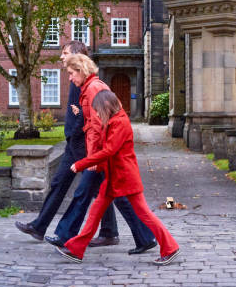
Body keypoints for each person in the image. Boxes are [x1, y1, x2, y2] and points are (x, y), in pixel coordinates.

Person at [15, 42, 156, 255]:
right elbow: (91, 119)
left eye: (71, 71)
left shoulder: (93, 88)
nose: (69, 77)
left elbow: (99, 125)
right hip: (91, 149)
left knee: (90, 194)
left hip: (94, 151)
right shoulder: (88, 86)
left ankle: (67, 237)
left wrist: (91, 157)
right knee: (103, 193)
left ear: (79, 66)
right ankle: (136, 236)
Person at [56, 90, 181, 266]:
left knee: (145, 215)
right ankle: (76, 249)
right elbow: (107, 150)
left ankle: (170, 247)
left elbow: (109, 151)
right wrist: (96, 164)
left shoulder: (120, 122)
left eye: (98, 110)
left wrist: (82, 164)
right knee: (94, 213)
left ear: (106, 107)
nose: (97, 114)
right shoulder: (113, 121)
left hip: (125, 178)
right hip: (113, 178)